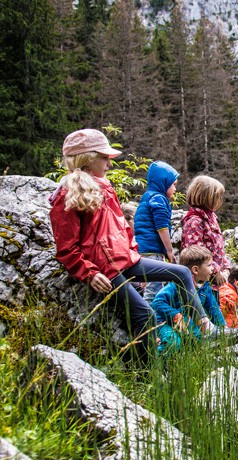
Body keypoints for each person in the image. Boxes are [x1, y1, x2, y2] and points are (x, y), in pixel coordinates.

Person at [48, 129, 213, 361]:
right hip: (105, 271)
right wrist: (88, 273)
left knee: (183, 273)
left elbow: (123, 228)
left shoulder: (105, 187)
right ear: (86, 158)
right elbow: (66, 248)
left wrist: (132, 252)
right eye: (104, 157)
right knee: (145, 315)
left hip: (127, 261)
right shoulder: (67, 195)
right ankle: (149, 373)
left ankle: (206, 328)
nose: (109, 163)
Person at [151, 246, 227, 356]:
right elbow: (157, 302)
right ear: (196, 270)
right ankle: (156, 366)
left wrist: (223, 328)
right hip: (164, 322)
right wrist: (175, 315)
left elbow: (213, 309)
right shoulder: (176, 285)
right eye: (209, 265)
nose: (213, 269)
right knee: (173, 342)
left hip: (187, 324)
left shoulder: (204, 287)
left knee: (198, 339)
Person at [134, 161, 179, 302]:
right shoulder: (159, 199)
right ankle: (151, 320)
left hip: (142, 250)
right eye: (174, 185)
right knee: (154, 290)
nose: (175, 189)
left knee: (147, 287)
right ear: (163, 182)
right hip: (152, 252)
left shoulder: (147, 197)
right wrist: (169, 251)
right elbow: (162, 227)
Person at [180, 176, 231, 287]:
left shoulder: (211, 218)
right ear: (207, 197)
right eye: (218, 197)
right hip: (201, 281)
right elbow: (195, 254)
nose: (221, 201)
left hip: (216, 280)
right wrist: (215, 270)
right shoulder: (195, 221)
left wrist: (226, 268)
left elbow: (219, 246)